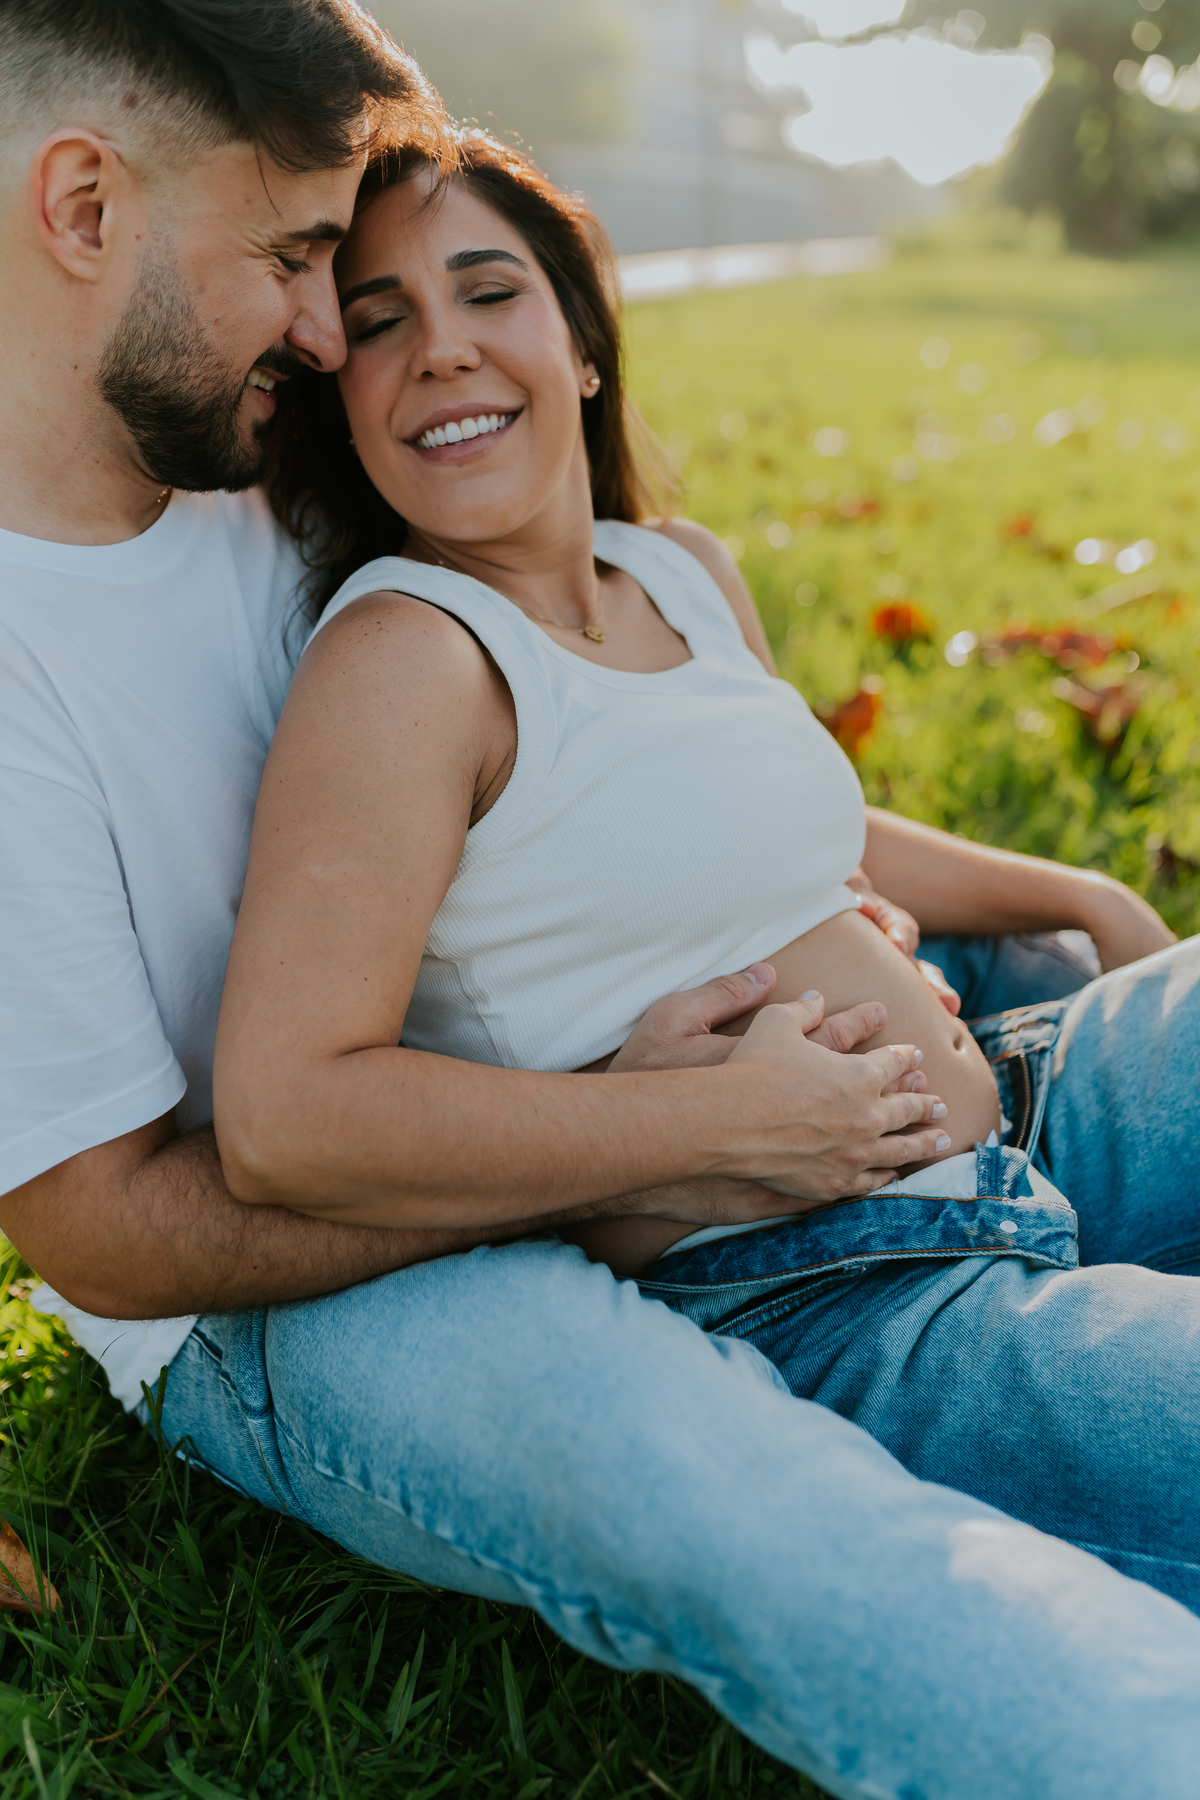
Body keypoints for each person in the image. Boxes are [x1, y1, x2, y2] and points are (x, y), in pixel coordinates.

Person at [3, 9, 1200, 1798]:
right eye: (299, 262)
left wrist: (990, 917)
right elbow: (112, 1225)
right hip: (304, 1292)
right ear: (85, 206)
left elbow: (638, 759)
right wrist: (635, 1150)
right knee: (759, 1507)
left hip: (764, 1122)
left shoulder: (263, 456)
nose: (340, 339)